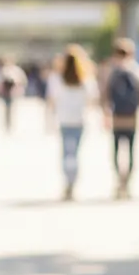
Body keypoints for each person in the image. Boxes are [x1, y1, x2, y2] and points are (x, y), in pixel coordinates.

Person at [46, 45, 98, 201]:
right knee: (75, 153)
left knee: (67, 153)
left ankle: (68, 181)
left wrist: (49, 118)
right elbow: (92, 99)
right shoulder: (86, 79)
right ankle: (73, 182)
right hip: (79, 120)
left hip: (64, 120)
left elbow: (51, 100)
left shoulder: (56, 79)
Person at [103, 38, 139, 199]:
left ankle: (119, 180)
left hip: (117, 117)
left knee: (116, 151)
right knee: (131, 151)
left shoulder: (111, 70)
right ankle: (127, 183)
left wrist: (105, 114)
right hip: (132, 117)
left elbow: (105, 95)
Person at [0, 57, 27, 133]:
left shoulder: (16, 70)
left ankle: (10, 124)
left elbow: (22, 80)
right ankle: (7, 124)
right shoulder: (2, 70)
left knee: (12, 108)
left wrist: (18, 86)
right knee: (6, 108)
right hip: (5, 93)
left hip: (13, 92)